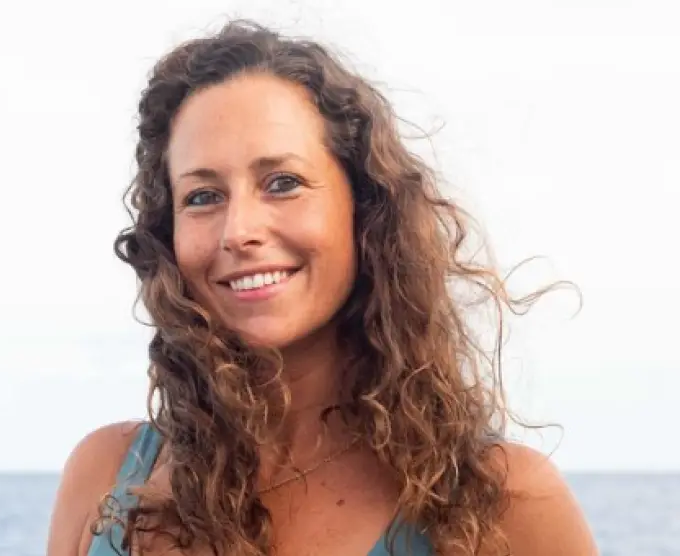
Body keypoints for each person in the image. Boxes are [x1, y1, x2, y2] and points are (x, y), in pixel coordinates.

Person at [47, 20, 597, 556]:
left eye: (283, 183)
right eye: (203, 196)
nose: (238, 231)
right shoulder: (106, 479)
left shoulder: (505, 504)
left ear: (364, 207)